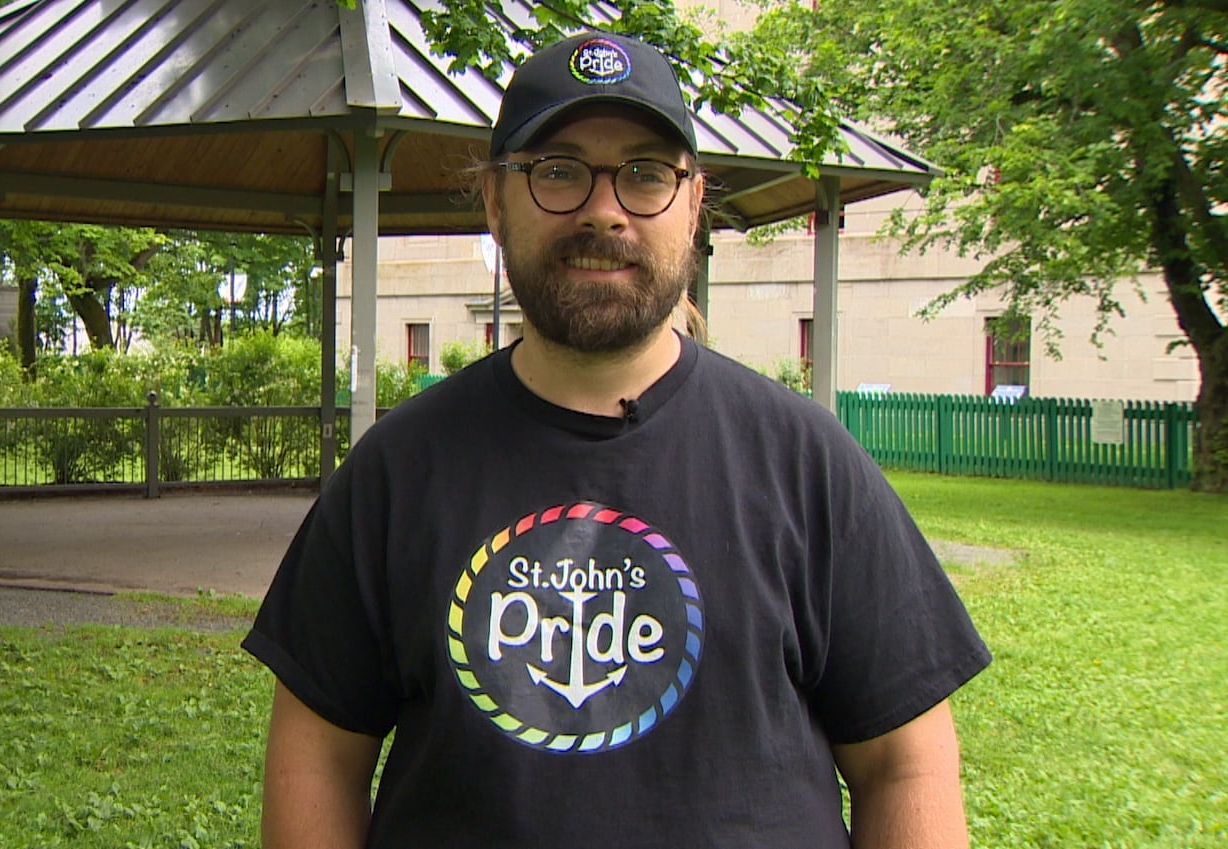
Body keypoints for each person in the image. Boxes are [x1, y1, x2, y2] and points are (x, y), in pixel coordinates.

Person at [243, 31, 991, 849]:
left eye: (644, 173)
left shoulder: (806, 463)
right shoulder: (393, 472)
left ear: (693, 204)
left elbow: (905, 764)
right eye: (559, 170)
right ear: (496, 202)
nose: (605, 209)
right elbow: (318, 757)